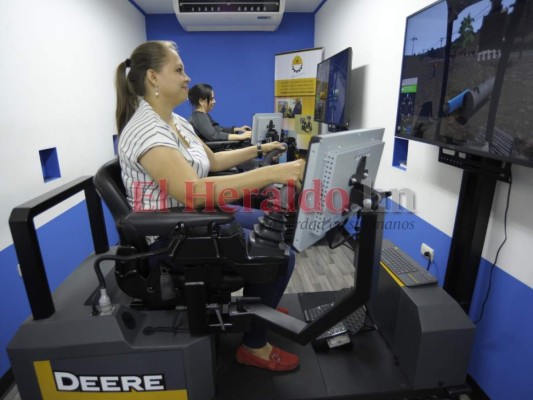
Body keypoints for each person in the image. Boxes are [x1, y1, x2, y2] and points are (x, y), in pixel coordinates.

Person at [115, 41, 305, 372]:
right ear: (153, 78)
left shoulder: (175, 121)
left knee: (274, 230)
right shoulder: (147, 130)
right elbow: (195, 193)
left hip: (191, 221)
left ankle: (263, 304)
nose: (187, 78)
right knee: (280, 253)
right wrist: (276, 172)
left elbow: (213, 160)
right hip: (169, 235)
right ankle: (254, 345)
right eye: (178, 70)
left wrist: (260, 148)